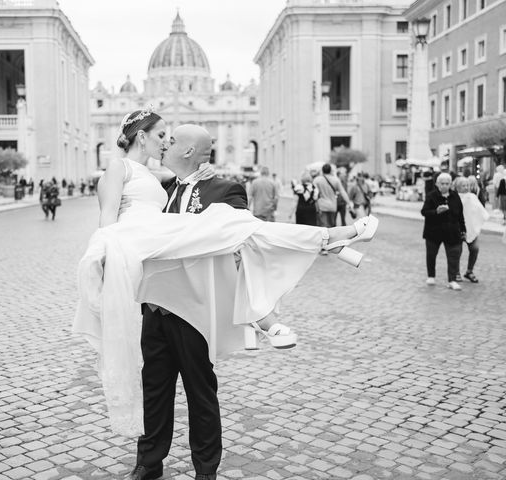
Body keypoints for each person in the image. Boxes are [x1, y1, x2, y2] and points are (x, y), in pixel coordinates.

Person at [73, 109, 378, 479]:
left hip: (193, 309)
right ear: (143, 137)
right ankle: (148, 462)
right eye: (161, 136)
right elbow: (109, 218)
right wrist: (103, 259)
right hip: (152, 301)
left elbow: (231, 239)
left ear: (186, 152)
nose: (165, 143)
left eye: (171, 139)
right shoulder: (144, 179)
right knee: (155, 391)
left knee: (202, 392)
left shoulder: (204, 186)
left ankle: (206, 470)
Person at [421, 173, 466, 290]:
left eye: (447, 184)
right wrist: (436, 212)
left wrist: (463, 229)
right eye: (442, 184)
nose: (445, 186)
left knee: (453, 256)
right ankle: (431, 275)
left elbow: (460, 215)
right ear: (437, 184)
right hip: (434, 231)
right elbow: (424, 212)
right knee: (431, 254)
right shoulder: (431, 196)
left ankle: (452, 280)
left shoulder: (455, 196)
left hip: (452, 231)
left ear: (450, 184)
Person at [455, 177, 489, 283]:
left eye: (467, 185)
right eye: (463, 186)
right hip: (458, 228)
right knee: (457, 251)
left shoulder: (473, 197)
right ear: (457, 187)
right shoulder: (454, 197)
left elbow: (479, 209)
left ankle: (469, 271)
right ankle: (456, 272)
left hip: (471, 227)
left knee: (475, 248)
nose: (466, 188)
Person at [313, 163, 351, 229]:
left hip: (321, 206)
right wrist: (349, 203)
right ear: (330, 171)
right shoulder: (336, 180)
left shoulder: (317, 180)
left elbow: (314, 193)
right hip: (332, 206)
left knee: (323, 227)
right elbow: (343, 192)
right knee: (331, 227)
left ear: (322, 171)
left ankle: (324, 239)